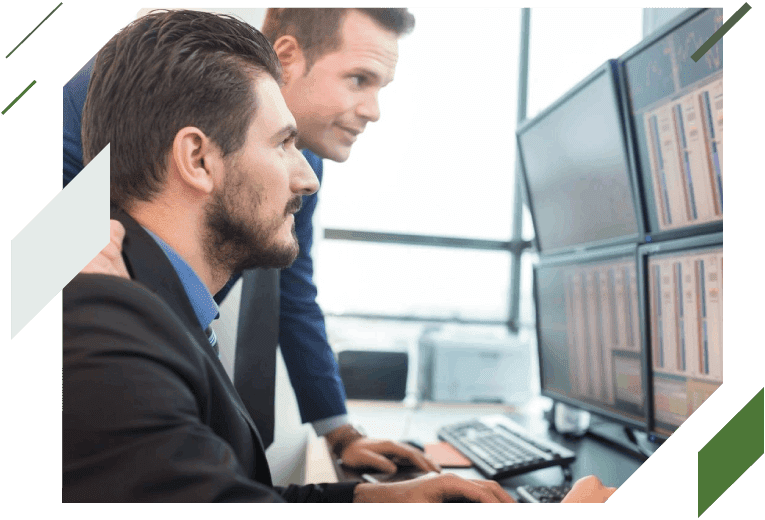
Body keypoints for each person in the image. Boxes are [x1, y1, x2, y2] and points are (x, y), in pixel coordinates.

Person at [63, 8, 522, 503]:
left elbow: (294, 296)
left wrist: (339, 432)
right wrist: (80, 280)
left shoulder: (302, 167)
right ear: (288, 58)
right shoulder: (109, 88)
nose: (373, 109)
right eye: (359, 80)